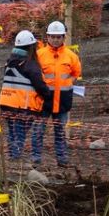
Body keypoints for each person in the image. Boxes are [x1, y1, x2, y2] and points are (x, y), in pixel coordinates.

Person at [33, 20, 83, 166]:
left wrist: (68, 83)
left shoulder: (71, 56)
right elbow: (34, 75)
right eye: (52, 36)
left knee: (60, 132)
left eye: (58, 37)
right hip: (43, 100)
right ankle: (36, 158)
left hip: (62, 101)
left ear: (63, 37)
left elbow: (76, 72)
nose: (55, 39)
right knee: (38, 130)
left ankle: (62, 159)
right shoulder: (39, 55)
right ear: (47, 37)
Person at [0, 29, 51, 160]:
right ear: (32, 46)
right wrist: (49, 96)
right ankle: (15, 157)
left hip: (7, 103)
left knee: (12, 132)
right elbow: (39, 85)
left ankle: (11, 156)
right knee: (20, 133)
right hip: (23, 105)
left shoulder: (9, 62)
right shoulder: (30, 64)